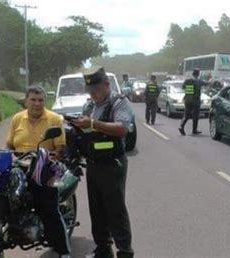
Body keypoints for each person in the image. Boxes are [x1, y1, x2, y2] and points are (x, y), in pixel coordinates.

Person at [72, 67, 134, 258]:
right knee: (96, 210)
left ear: (106, 85)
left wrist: (92, 124)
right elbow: (86, 133)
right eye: (90, 92)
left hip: (112, 164)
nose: (93, 95)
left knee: (115, 210)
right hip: (93, 164)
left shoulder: (119, 102)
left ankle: (124, 251)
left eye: (96, 91)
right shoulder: (90, 105)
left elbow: (122, 128)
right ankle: (103, 248)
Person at [6, 86, 71, 258]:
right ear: (26, 101)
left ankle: (63, 251)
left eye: (40, 100)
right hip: (21, 165)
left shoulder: (54, 119)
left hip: (47, 167)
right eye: (33, 100)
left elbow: (61, 150)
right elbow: (10, 146)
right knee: (0, 195)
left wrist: (47, 157)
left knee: (48, 208)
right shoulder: (17, 119)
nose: (37, 103)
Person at [178, 68, 207, 136]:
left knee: (186, 114)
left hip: (187, 100)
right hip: (195, 101)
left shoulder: (187, 80)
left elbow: (183, 87)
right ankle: (194, 130)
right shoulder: (199, 81)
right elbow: (206, 84)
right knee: (195, 116)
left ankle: (181, 126)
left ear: (192, 73)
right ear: (198, 74)